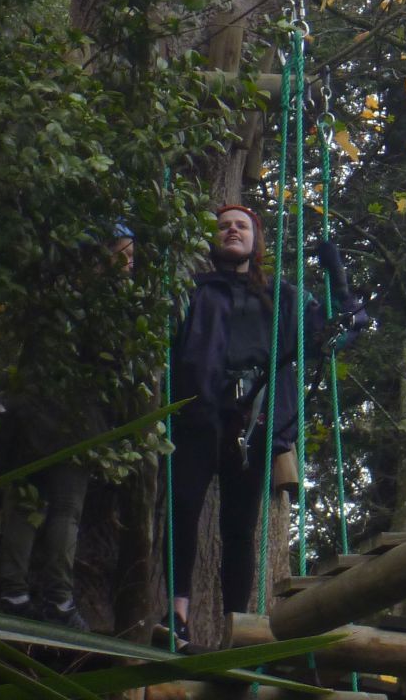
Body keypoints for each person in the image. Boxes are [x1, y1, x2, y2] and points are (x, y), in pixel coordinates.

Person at [163, 202, 322, 647]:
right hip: (198, 413)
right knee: (183, 509)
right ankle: (176, 618)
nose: (232, 231)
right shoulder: (193, 291)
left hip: (253, 419)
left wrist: (337, 280)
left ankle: (236, 626)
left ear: (257, 239)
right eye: (224, 227)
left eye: (241, 226)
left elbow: (329, 332)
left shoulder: (283, 297)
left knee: (239, 526)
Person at [0, 221, 135, 630]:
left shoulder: (49, 292)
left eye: (130, 258)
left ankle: (14, 593)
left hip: (31, 412)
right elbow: (114, 364)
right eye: (120, 256)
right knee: (62, 509)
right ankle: (56, 599)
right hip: (73, 418)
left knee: (26, 504)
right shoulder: (106, 305)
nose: (126, 266)